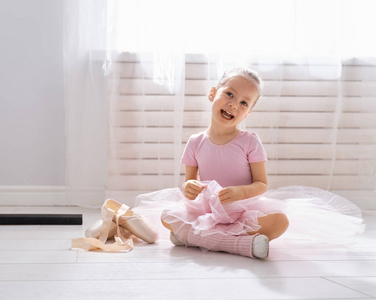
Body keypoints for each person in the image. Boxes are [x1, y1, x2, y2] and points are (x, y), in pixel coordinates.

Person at [160, 68, 289, 259]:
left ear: (247, 114)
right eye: (229, 94)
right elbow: (188, 181)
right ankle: (238, 244)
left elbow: (262, 184)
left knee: (280, 221)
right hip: (207, 210)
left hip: (243, 210)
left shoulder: (250, 141)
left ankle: (195, 237)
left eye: (244, 103)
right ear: (212, 93)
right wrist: (189, 187)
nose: (234, 105)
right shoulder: (196, 141)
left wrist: (240, 192)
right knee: (166, 216)